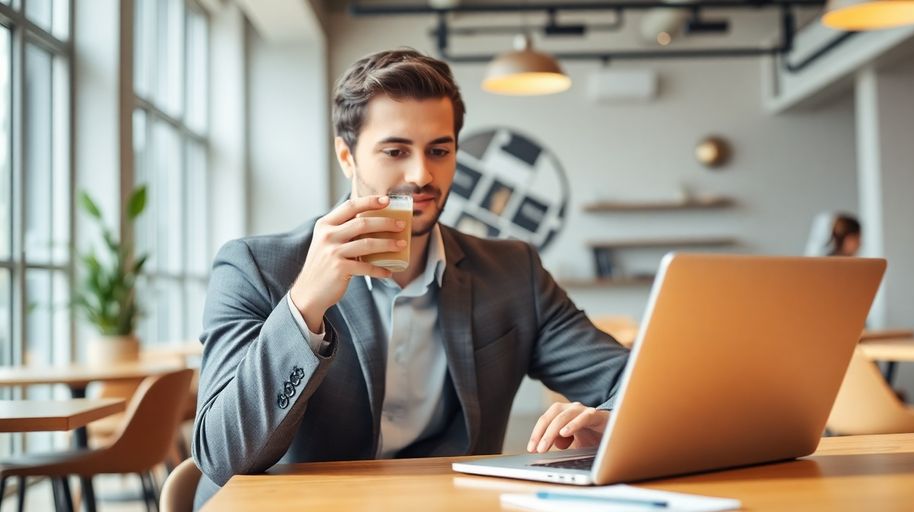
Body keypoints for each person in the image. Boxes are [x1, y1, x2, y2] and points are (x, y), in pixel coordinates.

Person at [191, 49, 630, 507]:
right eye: (396, 150)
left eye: (439, 151)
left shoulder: (512, 272)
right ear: (347, 156)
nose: (422, 174)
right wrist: (304, 308)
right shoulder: (256, 269)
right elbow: (222, 457)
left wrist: (608, 419)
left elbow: (630, 385)